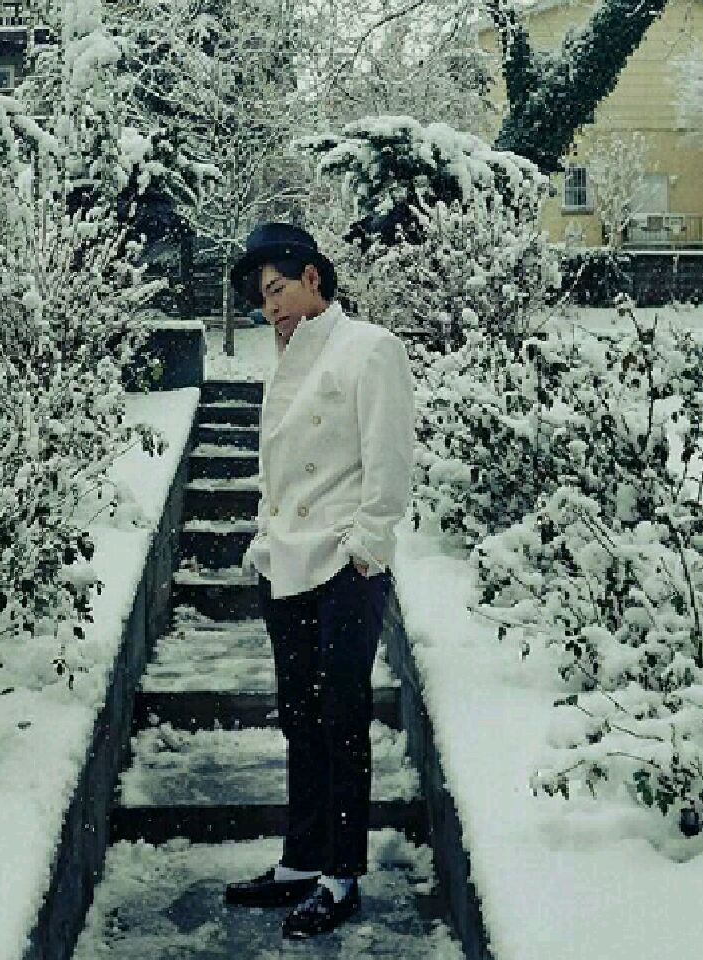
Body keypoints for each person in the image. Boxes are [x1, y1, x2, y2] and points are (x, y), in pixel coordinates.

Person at [222, 222, 415, 939]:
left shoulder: (369, 347)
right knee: (300, 719)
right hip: (288, 564)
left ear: (313, 277)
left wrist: (367, 546)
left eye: (278, 289)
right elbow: (276, 472)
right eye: (261, 299)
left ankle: (341, 877)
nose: (270, 307)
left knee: (340, 718)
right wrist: (264, 542)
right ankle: (302, 861)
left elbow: (389, 458)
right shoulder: (287, 363)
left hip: (342, 566)